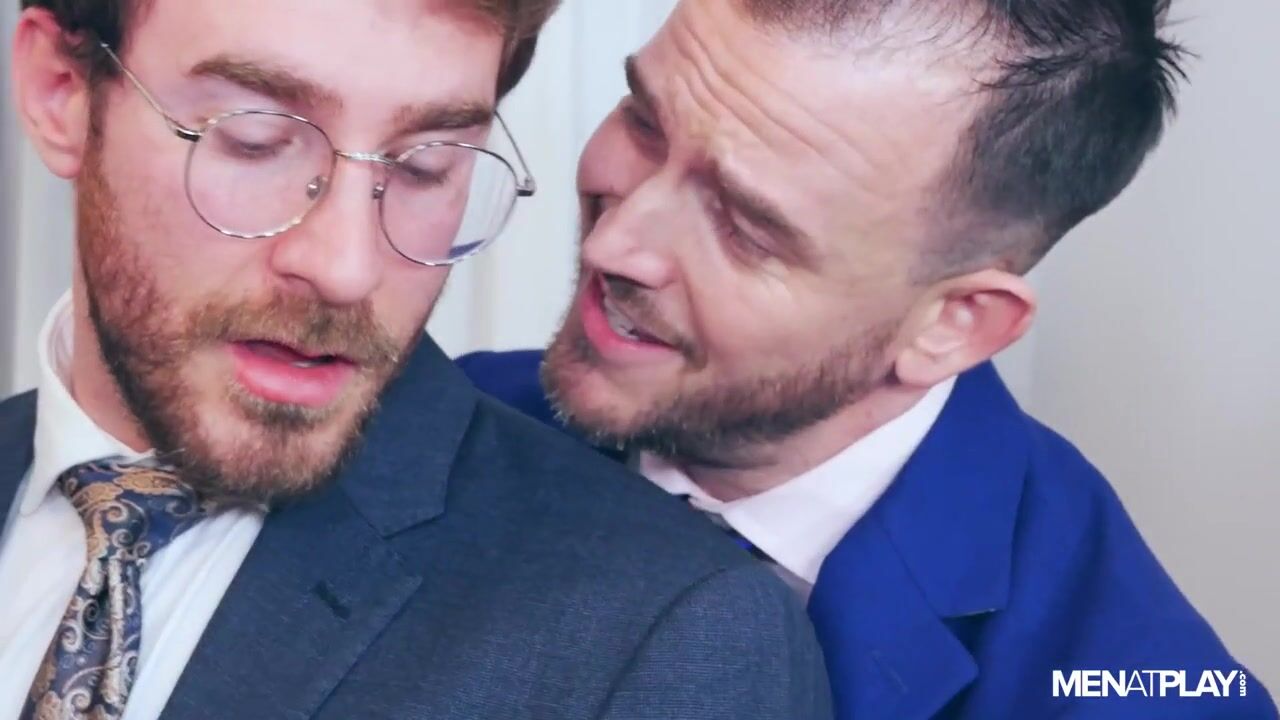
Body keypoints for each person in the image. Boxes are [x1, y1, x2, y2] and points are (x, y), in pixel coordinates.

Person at [0, 1, 834, 718]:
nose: (347, 268)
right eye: (255, 139)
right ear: (60, 94)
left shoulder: (665, 642)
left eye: (427, 164)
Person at [458, 0, 1279, 718]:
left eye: (744, 226)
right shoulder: (449, 415)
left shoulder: (1125, 683)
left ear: (952, 325)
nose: (614, 242)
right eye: (644, 121)